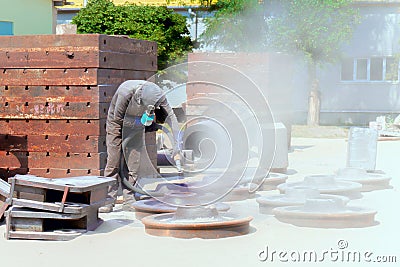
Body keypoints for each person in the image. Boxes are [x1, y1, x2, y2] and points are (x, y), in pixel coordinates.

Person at [100, 80, 181, 213]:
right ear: (140, 99)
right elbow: (118, 118)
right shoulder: (125, 92)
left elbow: (171, 118)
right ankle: (108, 200)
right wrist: (140, 123)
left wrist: (178, 144)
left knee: (133, 163)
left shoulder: (158, 95)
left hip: (136, 126)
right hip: (117, 124)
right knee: (114, 162)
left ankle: (129, 199)